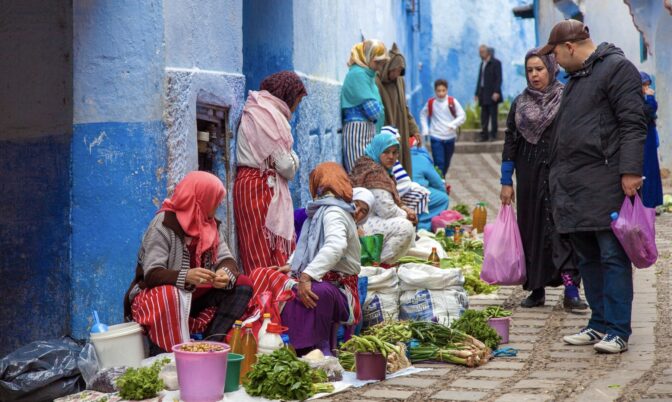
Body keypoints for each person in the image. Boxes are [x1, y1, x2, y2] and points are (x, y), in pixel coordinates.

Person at [540, 20, 646, 353]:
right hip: (574, 183)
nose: (553, 61)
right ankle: (598, 323)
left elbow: (633, 123)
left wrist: (630, 170)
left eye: (555, 53)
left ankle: (618, 329)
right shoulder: (575, 79)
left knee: (612, 255)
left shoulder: (617, 69)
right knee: (587, 255)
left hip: (605, 178)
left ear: (570, 47)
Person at [124, 171, 253, 354]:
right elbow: (152, 274)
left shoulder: (210, 224)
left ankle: (212, 342)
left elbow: (227, 258)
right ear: (201, 199)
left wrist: (224, 272)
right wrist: (187, 276)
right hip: (158, 298)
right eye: (215, 200)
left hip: (192, 298)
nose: (217, 205)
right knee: (170, 295)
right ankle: (168, 353)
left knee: (242, 285)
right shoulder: (163, 225)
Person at [500, 48, 587, 310]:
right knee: (532, 228)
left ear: (551, 68)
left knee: (563, 228)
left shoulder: (566, 98)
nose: (535, 75)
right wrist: (506, 181)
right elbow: (510, 140)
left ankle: (571, 289)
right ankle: (536, 289)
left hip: (561, 173)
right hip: (528, 175)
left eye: (540, 69)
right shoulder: (520, 103)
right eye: (530, 70)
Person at [251, 163, 365, 356]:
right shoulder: (320, 211)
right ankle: (284, 343)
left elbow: (335, 247)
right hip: (320, 277)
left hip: (340, 289)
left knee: (311, 292)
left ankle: (313, 348)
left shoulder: (334, 212)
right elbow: (307, 245)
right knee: (263, 274)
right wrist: (290, 266)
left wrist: (306, 276)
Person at [233, 71, 307, 274]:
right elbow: (287, 166)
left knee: (271, 252)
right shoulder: (264, 116)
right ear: (287, 96)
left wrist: (290, 157)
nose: (295, 107)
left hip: (261, 185)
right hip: (258, 187)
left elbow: (286, 161)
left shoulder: (264, 111)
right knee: (261, 252)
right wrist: (292, 157)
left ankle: (275, 300)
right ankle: (265, 300)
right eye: (296, 101)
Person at [350, 133, 417, 265]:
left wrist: (404, 208)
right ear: (377, 150)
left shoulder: (371, 165)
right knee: (405, 227)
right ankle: (380, 263)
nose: (391, 157)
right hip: (360, 226)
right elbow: (387, 211)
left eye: (395, 152)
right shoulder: (374, 173)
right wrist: (407, 215)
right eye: (386, 152)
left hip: (368, 220)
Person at [341, 39, 389, 172]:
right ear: (366, 56)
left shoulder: (368, 76)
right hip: (357, 130)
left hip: (367, 129)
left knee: (368, 173)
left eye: (382, 63)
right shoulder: (358, 74)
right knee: (359, 172)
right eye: (377, 62)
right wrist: (378, 109)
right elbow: (373, 111)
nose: (379, 66)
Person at [376, 43, 421, 175]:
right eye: (396, 70)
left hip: (401, 129)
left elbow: (404, 108)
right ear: (389, 67)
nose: (398, 73)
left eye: (401, 70)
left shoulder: (400, 81)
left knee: (402, 167)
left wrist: (414, 129)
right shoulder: (377, 82)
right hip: (386, 133)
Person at [420, 79, 467, 176]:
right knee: (439, 162)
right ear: (435, 91)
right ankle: (441, 183)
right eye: (438, 91)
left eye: (443, 90)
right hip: (436, 136)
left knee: (446, 163)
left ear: (447, 90)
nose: (441, 93)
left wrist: (453, 124)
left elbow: (462, 115)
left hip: (450, 137)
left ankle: (442, 179)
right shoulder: (431, 102)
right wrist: (425, 128)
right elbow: (423, 114)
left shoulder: (452, 101)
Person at [411, 142, 450, 231]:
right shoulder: (421, 159)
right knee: (443, 198)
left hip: (402, 192)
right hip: (415, 193)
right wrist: (445, 192)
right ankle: (424, 225)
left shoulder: (399, 158)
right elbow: (437, 183)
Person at [640, 71, 663, 209]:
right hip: (642, 141)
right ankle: (645, 202)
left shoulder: (644, 99)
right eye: (644, 85)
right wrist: (649, 98)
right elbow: (648, 112)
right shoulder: (636, 100)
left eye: (648, 85)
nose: (647, 88)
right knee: (645, 171)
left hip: (649, 141)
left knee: (652, 170)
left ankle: (652, 202)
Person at [474, 45, 503, 142]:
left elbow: (499, 79)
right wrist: (476, 93)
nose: (480, 54)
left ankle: (493, 135)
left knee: (493, 115)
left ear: (488, 52)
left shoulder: (496, 63)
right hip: (483, 93)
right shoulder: (482, 64)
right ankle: (484, 135)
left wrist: (496, 91)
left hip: (492, 93)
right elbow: (480, 79)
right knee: (484, 115)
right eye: (479, 52)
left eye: (482, 52)